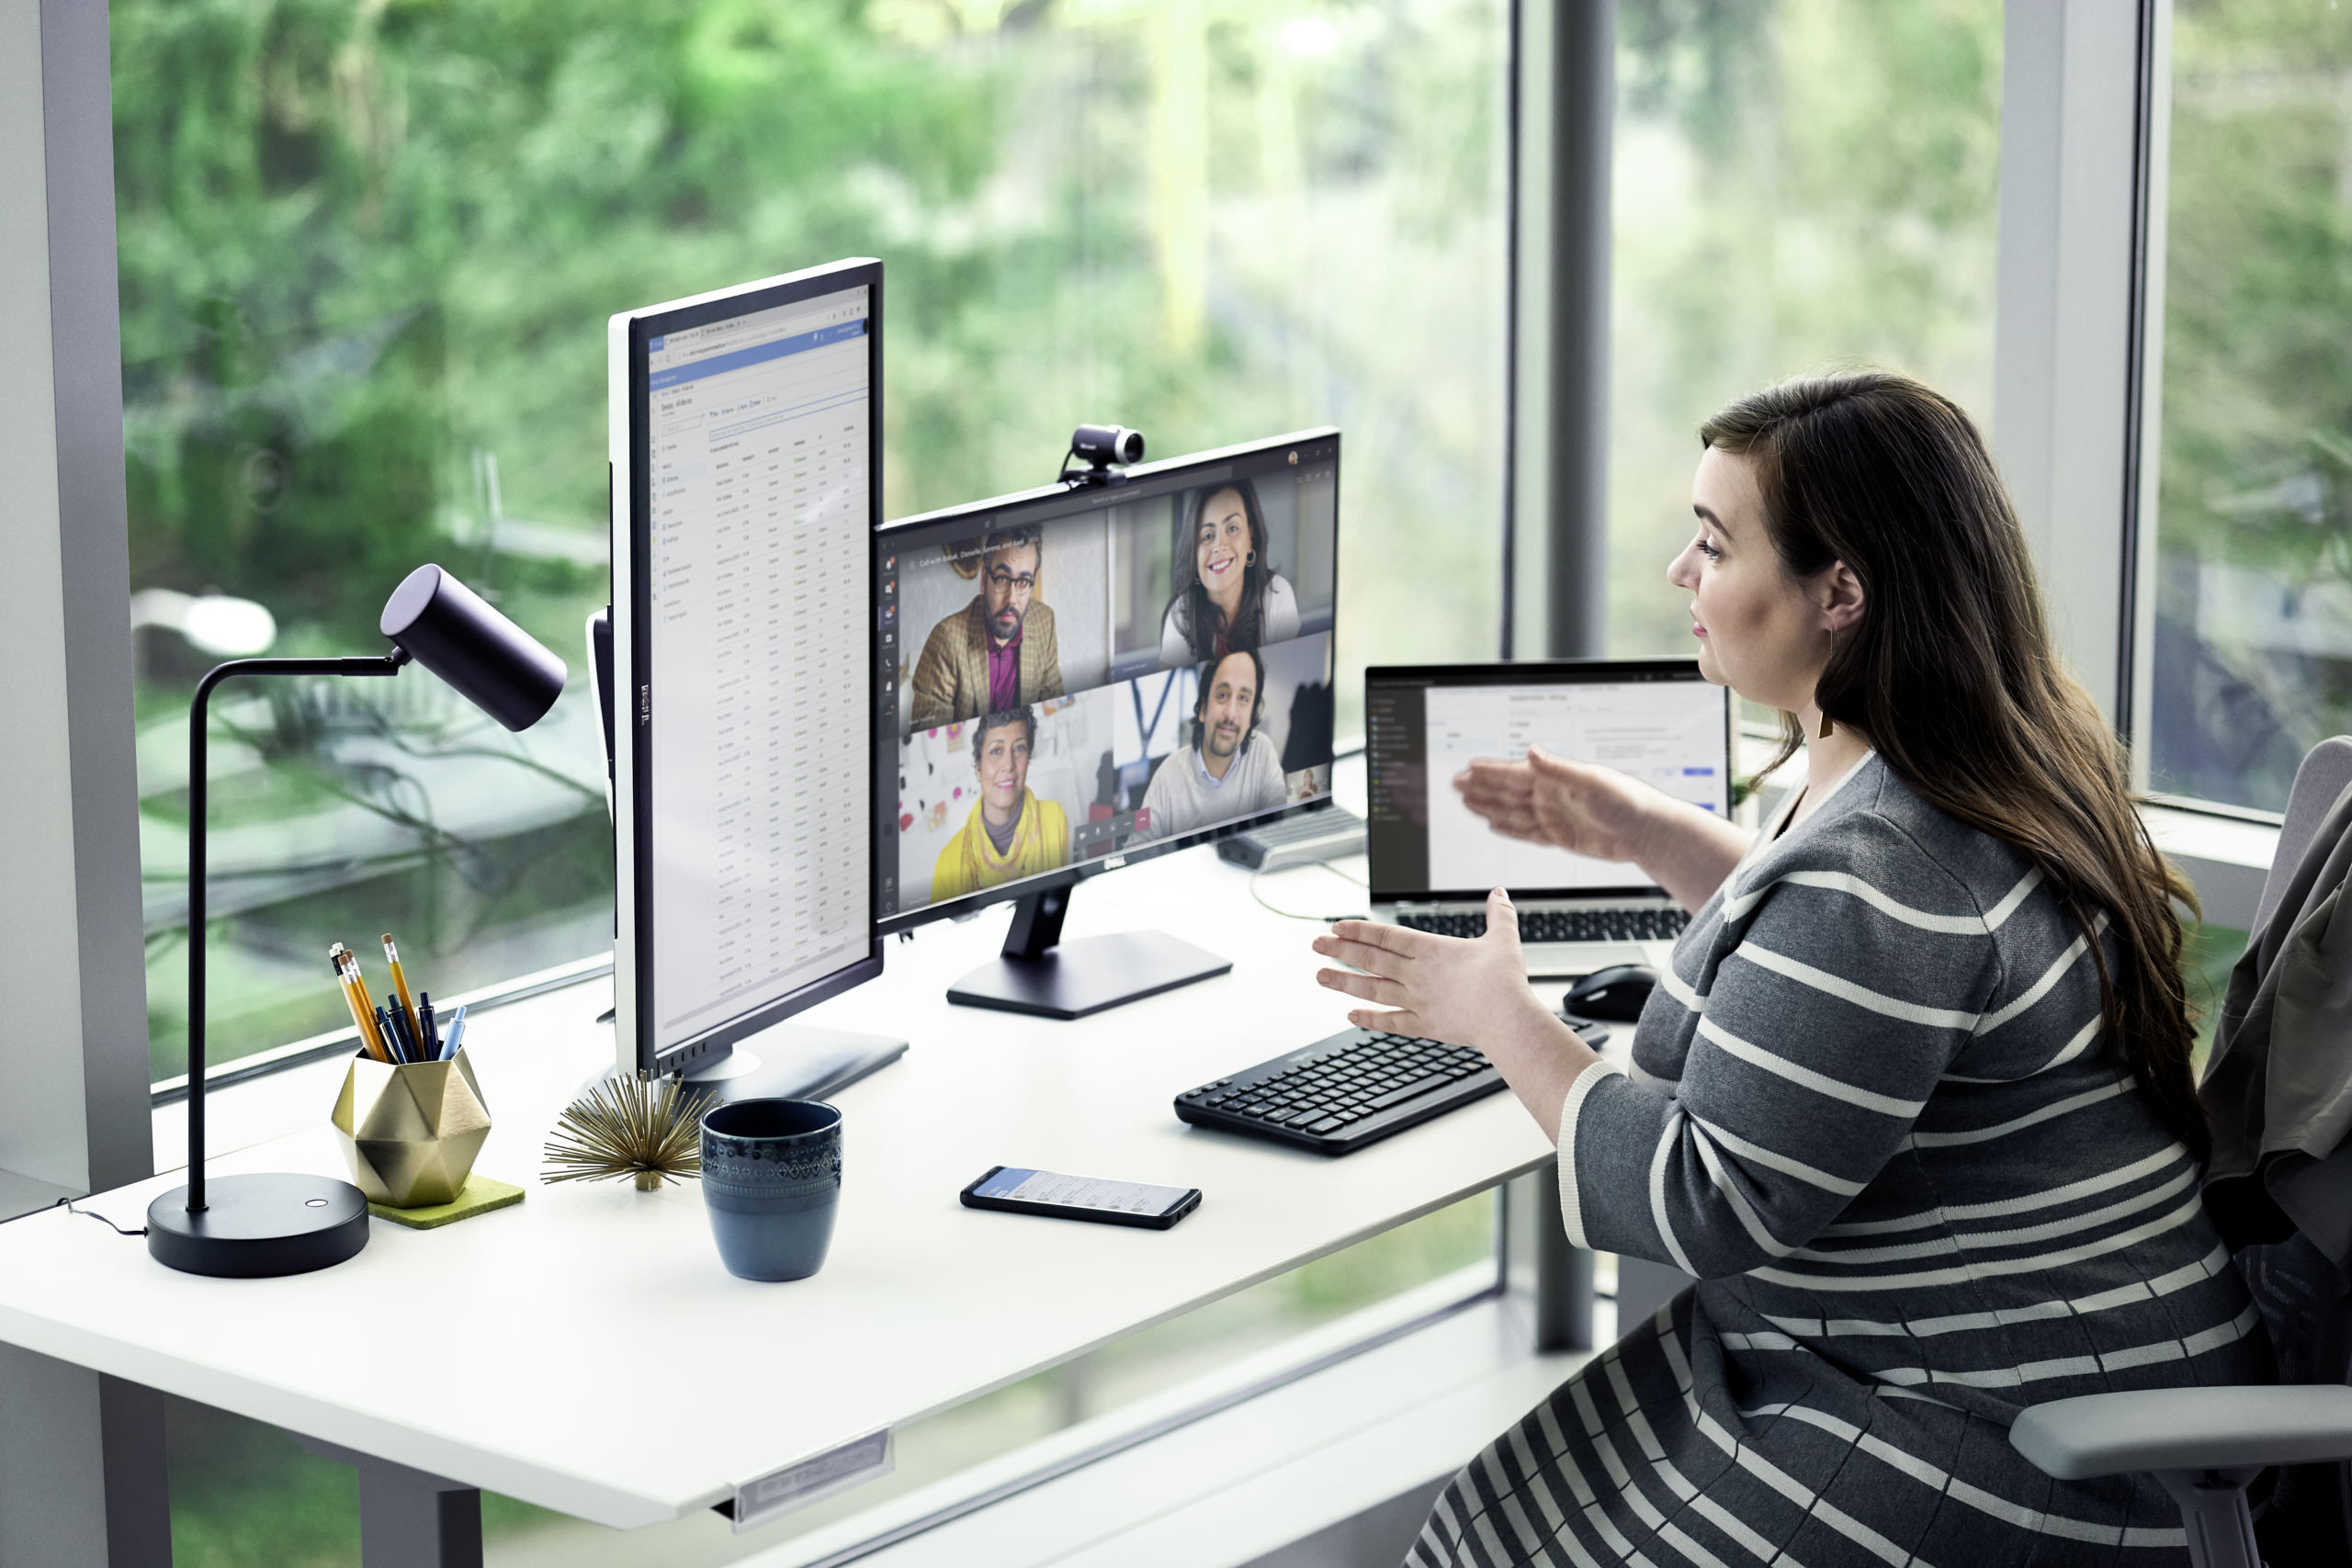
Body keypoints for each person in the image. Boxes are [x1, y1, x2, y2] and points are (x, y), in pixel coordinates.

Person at [1313, 372, 2270, 1566]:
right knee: (1495, 1518)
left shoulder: (1883, 869)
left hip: (2015, 1433)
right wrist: (1647, 831)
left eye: (1714, 542)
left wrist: (1495, 1013)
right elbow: (1864, 996)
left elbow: (1705, 1198)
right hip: (2067, 1349)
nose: (1681, 571)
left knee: (1490, 1537)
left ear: (1842, 594)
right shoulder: (1983, 768)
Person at [910, 525, 1064, 728]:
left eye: (1024, 582)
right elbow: (932, 738)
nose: (1011, 598)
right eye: (1001, 578)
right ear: (984, 579)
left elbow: (1053, 715)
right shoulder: (946, 641)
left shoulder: (1045, 623)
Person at [1139, 649, 1287, 838]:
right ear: (1203, 709)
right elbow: (1139, 848)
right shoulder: (1168, 775)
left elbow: (1281, 829)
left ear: (1250, 717)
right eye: (1223, 695)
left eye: (1243, 698)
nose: (1231, 714)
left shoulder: (1263, 754)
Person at [930, 705, 1069, 900]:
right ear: (978, 769)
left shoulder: (1054, 818)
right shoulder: (948, 862)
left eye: (1019, 748)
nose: (1009, 764)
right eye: (996, 751)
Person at [1159, 479, 1299, 668]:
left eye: (1232, 528)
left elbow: (1291, 675)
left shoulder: (1278, 595)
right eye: (1207, 536)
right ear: (1194, 552)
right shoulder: (1180, 617)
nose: (1220, 546)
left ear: (1250, 537)